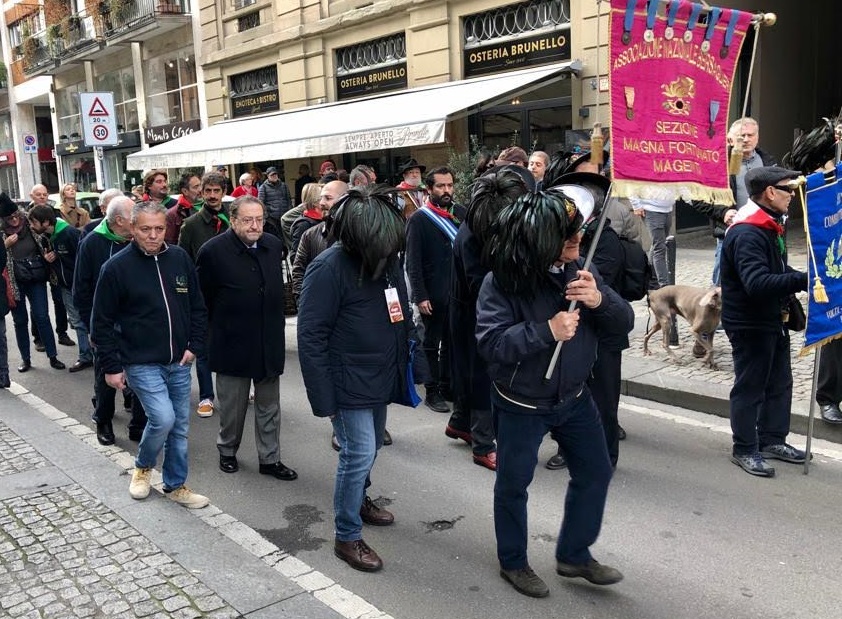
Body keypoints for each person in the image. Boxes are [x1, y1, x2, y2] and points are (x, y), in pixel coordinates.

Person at [476, 188, 632, 598]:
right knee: (513, 485)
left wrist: (598, 300)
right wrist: (545, 330)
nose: (577, 242)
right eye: (567, 238)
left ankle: (574, 555)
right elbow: (492, 344)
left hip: (574, 399)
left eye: (578, 234)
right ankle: (513, 561)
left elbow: (624, 323)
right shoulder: (502, 281)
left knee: (596, 471)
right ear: (538, 240)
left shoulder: (580, 269)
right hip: (521, 403)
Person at [297, 185, 428, 573]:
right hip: (347, 382)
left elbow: (401, 314)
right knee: (357, 454)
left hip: (379, 376)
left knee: (370, 450)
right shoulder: (327, 269)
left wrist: (415, 365)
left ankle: (359, 500)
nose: (391, 251)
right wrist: (324, 398)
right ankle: (347, 535)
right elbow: (311, 337)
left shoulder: (385, 261)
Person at [91, 200, 209, 509]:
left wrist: (194, 345)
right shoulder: (116, 268)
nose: (154, 235)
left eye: (159, 228)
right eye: (145, 229)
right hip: (140, 361)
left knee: (180, 426)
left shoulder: (180, 259)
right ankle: (143, 467)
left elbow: (197, 307)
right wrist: (112, 366)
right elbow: (100, 322)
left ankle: (175, 484)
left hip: (179, 361)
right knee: (163, 418)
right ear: (131, 228)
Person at [196, 196, 298, 481]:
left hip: (268, 341)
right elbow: (201, 300)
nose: (255, 226)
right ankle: (227, 451)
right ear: (234, 220)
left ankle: (270, 459)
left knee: (269, 407)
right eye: (248, 220)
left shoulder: (273, 245)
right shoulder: (212, 251)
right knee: (233, 408)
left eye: (260, 220)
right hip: (232, 343)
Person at [721, 166, 809, 478]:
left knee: (779, 382)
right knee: (751, 387)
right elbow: (757, 283)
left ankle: (772, 439)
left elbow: (772, 270)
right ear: (770, 192)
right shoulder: (747, 233)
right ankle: (744, 447)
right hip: (749, 323)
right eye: (788, 189)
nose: (792, 196)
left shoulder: (768, 225)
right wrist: (802, 279)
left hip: (771, 318)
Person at [447, 166, 531, 472]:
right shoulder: (473, 233)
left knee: (472, 372)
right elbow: (480, 283)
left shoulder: (485, 225)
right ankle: (483, 443)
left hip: (475, 311)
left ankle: (459, 423)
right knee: (481, 375)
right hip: (475, 314)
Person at [74, 196, 147, 445]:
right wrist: (91, 328)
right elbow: (81, 290)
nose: (138, 222)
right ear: (118, 220)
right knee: (105, 377)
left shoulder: (137, 240)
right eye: (132, 217)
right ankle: (103, 419)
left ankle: (139, 423)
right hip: (104, 324)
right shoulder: (92, 243)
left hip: (134, 323)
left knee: (140, 374)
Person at [405, 166, 460, 415]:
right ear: (430, 189)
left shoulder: (460, 212)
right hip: (433, 294)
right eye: (441, 186)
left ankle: (448, 385)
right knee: (431, 343)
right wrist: (420, 296)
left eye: (449, 185)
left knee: (452, 342)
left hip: (459, 292)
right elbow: (412, 262)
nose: (446, 190)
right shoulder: (419, 219)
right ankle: (432, 389)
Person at [179, 171, 229, 418]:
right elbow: (182, 262)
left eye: (216, 191)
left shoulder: (233, 217)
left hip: (233, 295)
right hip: (203, 296)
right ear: (201, 193)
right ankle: (206, 396)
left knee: (235, 343)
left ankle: (238, 389)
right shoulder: (191, 225)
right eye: (207, 190)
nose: (211, 195)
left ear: (223, 192)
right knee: (204, 348)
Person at [1, 194, 65, 373]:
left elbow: (48, 242)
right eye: (9, 218)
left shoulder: (31, 225)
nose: (14, 220)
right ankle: (26, 359)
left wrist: (49, 256)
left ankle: (53, 356)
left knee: (42, 317)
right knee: (20, 321)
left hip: (36, 278)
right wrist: (4, 245)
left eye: (16, 215)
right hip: (14, 282)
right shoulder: (2, 233)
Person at [26, 206, 92, 373]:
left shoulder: (69, 233)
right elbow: (51, 259)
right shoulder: (45, 236)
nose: (31, 225)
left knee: (89, 320)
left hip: (80, 285)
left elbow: (84, 258)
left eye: (34, 222)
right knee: (77, 321)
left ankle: (96, 354)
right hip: (64, 286)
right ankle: (86, 356)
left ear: (46, 222)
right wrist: (47, 259)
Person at [29, 183, 74, 350]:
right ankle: (38, 337)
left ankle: (62, 333)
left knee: (59, 300)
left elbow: (62, 235)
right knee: (38, 305)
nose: (42, 197)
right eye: (38, 194)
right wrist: (43, 257)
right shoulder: (28, 217)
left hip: (56, 267)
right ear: (31, 196)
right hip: (37, 266)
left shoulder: (53, 214)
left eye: (45, 194)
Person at [282, 182, 321, 252]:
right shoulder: (303, 225)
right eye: (322, 197)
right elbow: (296, 255)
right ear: (314, 201)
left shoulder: (323, 218)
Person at [165, 173, 202, 245]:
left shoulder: (209, 208)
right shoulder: (172, 215)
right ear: (185, 191)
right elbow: (170, 245)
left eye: (200, 185)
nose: (200, 189)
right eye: (196, 187)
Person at [257, 166, 292, 233]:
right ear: (268, 176)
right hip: (271, 218)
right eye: (272, 175)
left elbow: (288, 200)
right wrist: (266, 216)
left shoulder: (284, 186)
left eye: (275, 174)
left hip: (284, 216)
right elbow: (260, 203)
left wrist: (289, 211)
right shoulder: (263, 187)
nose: (274, 176)